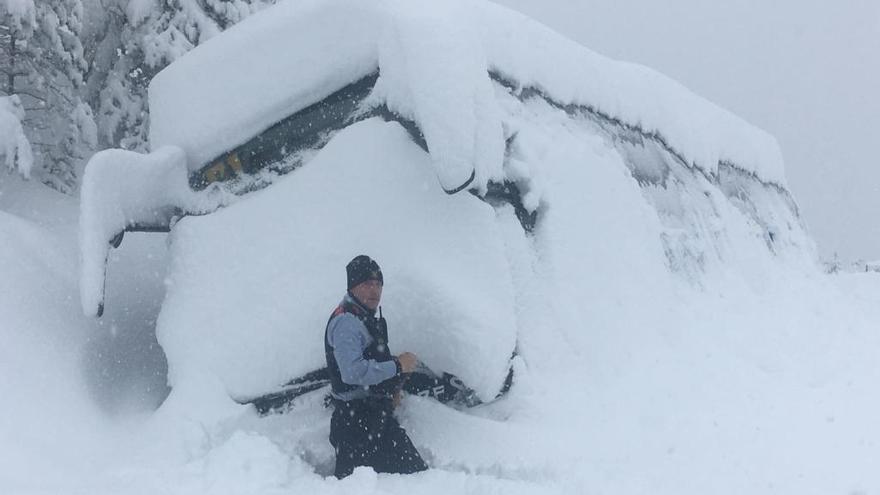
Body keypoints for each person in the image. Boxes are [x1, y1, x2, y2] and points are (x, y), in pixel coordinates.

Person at [324, 255, 428, 478]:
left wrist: (392, 387)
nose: (375, 290)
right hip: (355, 424)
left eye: (378, 284)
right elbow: (353, 372)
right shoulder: (346, 322)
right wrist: (397, 366)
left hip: (371, 417)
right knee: (416, 480)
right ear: (353, 287)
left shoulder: (364, 316)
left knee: (414, 479)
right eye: (367, 284)